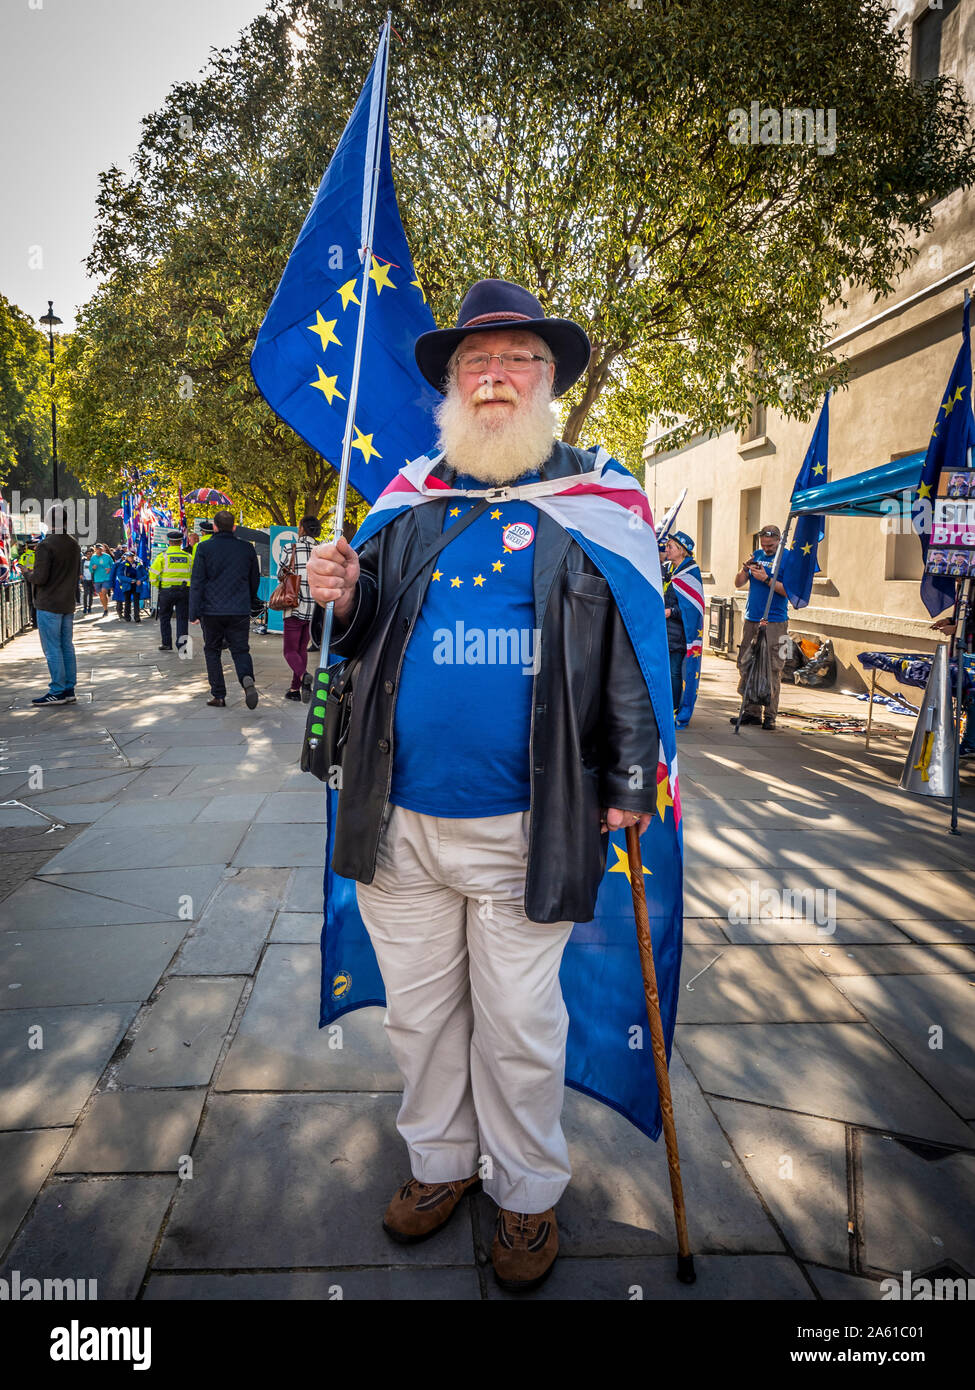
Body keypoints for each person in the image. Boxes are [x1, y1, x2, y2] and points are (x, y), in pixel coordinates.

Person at [306, 279, 661, 1292]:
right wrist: (337, 588)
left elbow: (637, 652)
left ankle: (526, 1193)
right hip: (396, 818)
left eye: (515, 361)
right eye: (476, 363)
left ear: (548, 381)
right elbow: (360, 627)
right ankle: (440, 1164)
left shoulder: (598, 503)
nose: (494, 376)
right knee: (421, 1016)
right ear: (452, 386)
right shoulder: (410, 503)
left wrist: (631, 776)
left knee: (518, 1022)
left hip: (530, 824)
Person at [188, 509, 261, 708]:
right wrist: (250, 598)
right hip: (239, 609)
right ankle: (247, 679)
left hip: (212, 610)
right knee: (240, 649)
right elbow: (254, 578)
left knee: (212, 650)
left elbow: (197, 582)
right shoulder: (247, 548)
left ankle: (219, 695)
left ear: (215, 527)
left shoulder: (204, 548)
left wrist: (194, 611)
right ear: (234, 527)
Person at [732, 523, 789, 730]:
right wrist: (745, 568)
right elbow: (738, 583)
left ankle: (770, 715)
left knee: (773, 667)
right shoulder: (757, 554)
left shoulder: (787, 558)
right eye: (763, 545)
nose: (766, 548)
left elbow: (787, 591)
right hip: (752, 618)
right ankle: (751, 711)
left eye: (770, 545)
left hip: (775, 620)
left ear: (779, 541)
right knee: (746, 663)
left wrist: (766, 578)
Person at [25, 506, 81, 705]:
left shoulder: (45, 545)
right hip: (67, 602)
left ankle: (56, 690)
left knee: (52, 649)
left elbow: (40, 578)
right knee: (67, 646)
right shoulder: (74, 544)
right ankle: (68, 689)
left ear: (48, 522)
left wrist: (26, 573)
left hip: (49, 603)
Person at [661, 529, 704, 727]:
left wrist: (671, 612)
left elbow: (690, 608)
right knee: (666, 670)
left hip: (679, 632)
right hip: (664, 630)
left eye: (670, 546)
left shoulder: (690, 574)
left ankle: (675, 709)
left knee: (675, 672)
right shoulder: (668, 569)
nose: (666, 549)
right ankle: (665, 706)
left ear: (681, 550)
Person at [282, 514, 321, 701]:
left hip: (294, 605)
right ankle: (295, 690)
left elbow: (280, 574)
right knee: (302, 649)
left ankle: (303, 676)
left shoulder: (290, 548)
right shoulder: (322, 550)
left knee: (289, 651)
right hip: (314, 609)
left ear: (302, 529)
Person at [149, 531, 193, 651]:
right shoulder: (188, 557)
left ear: (169, 542)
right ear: (180, 542)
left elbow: (152, 576)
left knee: (164, 617)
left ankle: (167, 644)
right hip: (184, 592)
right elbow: (194, 575)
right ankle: (182, 646)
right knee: (182, 619)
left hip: (167, 592)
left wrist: (159, 585)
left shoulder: (162, 557)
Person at [89, 543, 114, 617]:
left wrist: (110, 569)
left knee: (103, 592)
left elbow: (113, 565)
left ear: (102, 549)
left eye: (100, 549)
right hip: (97, 579)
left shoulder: (107, 556)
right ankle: (105, 608)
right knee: (101, 596)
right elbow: (90, 569)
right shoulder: (93, 558)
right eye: (97, 549)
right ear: (95, 549)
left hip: (106, 577)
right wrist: (93, 568)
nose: (99, 550)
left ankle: (105, 609)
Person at [81, 547, 96, 614]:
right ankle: (85, 607)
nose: (89, 555)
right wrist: (80, 574)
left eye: (90, 554)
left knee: (91, 594)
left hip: (92, 580)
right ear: (86, 555)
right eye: (88, 554)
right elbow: (80, 568)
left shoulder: (94, 562)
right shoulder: (83, 561)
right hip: (85, 579)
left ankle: (89, 607)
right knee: (85, 594)